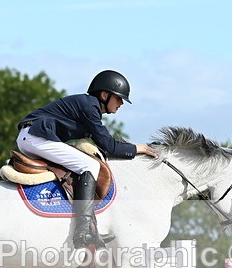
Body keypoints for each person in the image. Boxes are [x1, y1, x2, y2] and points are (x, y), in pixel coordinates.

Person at [16, 70, 158, 249]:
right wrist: (141, 148)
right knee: (89, 165)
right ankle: (83, 231)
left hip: (32, 136)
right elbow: (110, 146)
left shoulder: (89, 107)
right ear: (105, 95)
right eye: (119, 98)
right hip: (36, 136)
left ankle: (84, 224)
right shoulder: (90, 106)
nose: (121, 103)